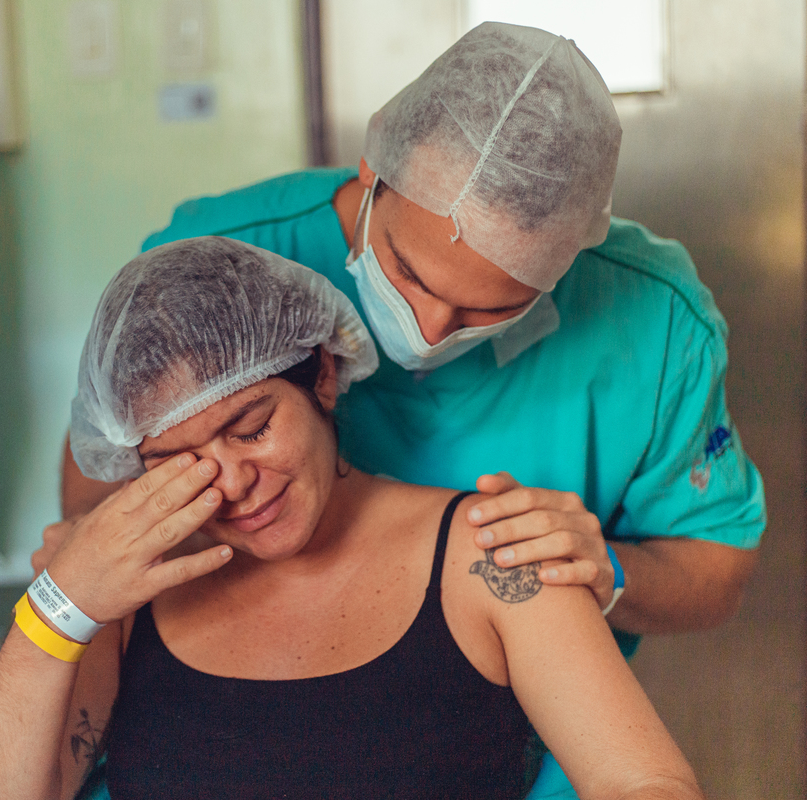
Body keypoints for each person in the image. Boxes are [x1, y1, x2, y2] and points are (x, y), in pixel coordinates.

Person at [50, 22, 766, 798]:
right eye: (409, 275)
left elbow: (715, 574)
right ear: (374, 170)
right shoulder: (222, 264)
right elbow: (96, 503)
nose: (425, 333)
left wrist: (608, 570)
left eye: (486, 310)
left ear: (567, 267)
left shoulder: (653, 325)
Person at [0, 236, 705, 800]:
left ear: (325, 375)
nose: (234, 482)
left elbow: (649, 785)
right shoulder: (126, 591)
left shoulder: (489, 553)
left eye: (251, 428)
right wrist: (60, 605)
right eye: (181, 461)